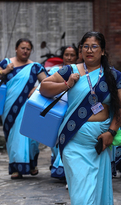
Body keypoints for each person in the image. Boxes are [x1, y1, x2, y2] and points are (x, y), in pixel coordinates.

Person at [40, 31, 121, 205]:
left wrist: (112, 132)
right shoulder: (69, 71)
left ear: (103, 50)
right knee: (79, 182)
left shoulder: (114, 76)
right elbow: (44, 88)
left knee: (95, 183)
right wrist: (66, 84)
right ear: (81, 50)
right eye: (85, 46)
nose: (89, 50)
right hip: (73, 139)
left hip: (100, 140)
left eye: (94, 46)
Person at [0, 38, 47, 179]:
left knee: (31, 137)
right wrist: (5, 71)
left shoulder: (35, 67)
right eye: (22, 48)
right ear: (16, 48)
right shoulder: (7, 63)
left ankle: (32, 165)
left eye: (28, 49)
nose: (25, 51)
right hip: (10, 107)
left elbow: (47, 81)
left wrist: (37, 88)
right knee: (14, 135)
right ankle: (16, 167)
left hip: (29, 106)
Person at [48, 45, 78, 181]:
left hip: (72, 109)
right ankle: (57, 163)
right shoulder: (56, 71)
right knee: (55, 138)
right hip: (57, 108)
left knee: (69, 138)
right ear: (63, 56)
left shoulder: (80, 71)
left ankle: (65, 170)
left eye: (72, 55)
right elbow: (48, 86)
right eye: (67, 54)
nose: (69, 58)